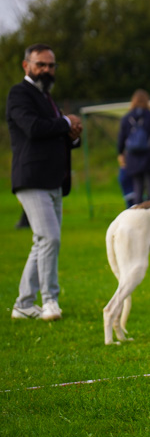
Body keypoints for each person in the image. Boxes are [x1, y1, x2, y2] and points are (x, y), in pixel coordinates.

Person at [7, 43, 82, 321]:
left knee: (42, 241)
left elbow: (55, 135)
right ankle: (50, 301)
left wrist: (72, 134)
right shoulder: (19, 93)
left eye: (51, 65)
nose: (47, 70)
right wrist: (65, 122)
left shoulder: (47, 97)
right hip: (31, 179)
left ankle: (24, 303)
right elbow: (34, 129)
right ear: (26, 66)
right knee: (50, 238)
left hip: (53, 181)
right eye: (41, 64)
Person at [117, 89, 150, 205]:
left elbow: (121, 139)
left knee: (137, 190)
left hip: (134, 159)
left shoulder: (126, 118)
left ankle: (138, 217)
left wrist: (120, 154)